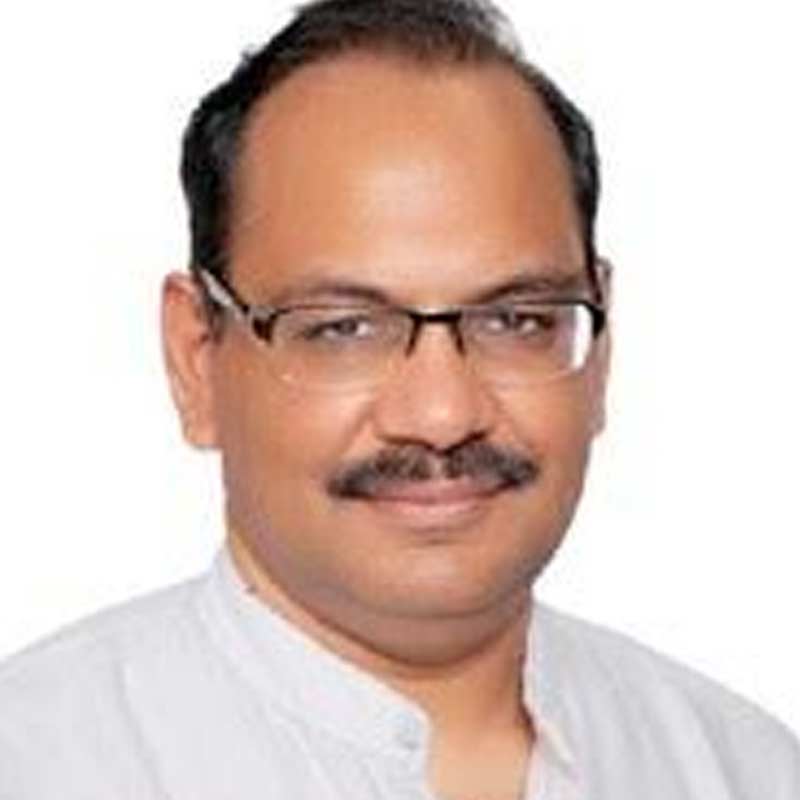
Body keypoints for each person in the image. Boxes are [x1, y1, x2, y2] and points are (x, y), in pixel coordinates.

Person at [1, 0, 798, 797]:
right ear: (196, 358)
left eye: (516, 319)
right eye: (344, 327)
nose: (442, 416)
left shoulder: (742, 770)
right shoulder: (39, 762)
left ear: (601, 346)